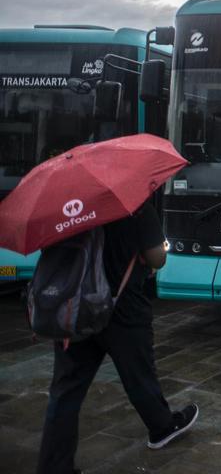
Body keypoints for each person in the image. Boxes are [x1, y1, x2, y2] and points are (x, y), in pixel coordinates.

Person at [36, 201, 199, 474]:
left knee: (65, 392)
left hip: (76, 309)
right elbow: (157, 257)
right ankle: (162, 427)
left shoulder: (63, 203)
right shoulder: (134, 204)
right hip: (123, 308)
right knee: (139, 376)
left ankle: (54, 467)